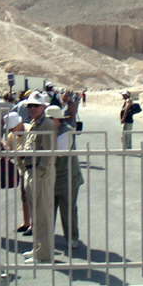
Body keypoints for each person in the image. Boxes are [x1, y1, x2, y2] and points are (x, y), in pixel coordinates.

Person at [21, 92, 55, 264]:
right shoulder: (35, 124)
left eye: (36, 105)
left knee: (42, 215)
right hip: (31, 170)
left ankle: (44, 254)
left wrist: (40, 173)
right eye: (30, 106)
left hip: (40, 174)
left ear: (43, 107)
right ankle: (38, 248)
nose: (32, 108)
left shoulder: (47, 124)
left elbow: (48, 153)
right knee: (36, 214)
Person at [46, 105, 84, 250]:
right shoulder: (48, 131)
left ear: (57, 119)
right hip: (52, 176)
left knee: (68, 209)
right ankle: (47, 238)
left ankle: (72, 238)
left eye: (49, 119)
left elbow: (60, 152)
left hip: (68, 176)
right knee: (49, 209)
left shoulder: (66, 132)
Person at [3, 111, 31, 235]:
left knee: (33, 198)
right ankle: (26, 223)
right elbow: (8, 150)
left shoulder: (30, 131)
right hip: (22, 170)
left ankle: (34, 224)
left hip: (33, 170)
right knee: (25, 197)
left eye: (12, 128)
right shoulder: (11, 136)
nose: (11, 130)